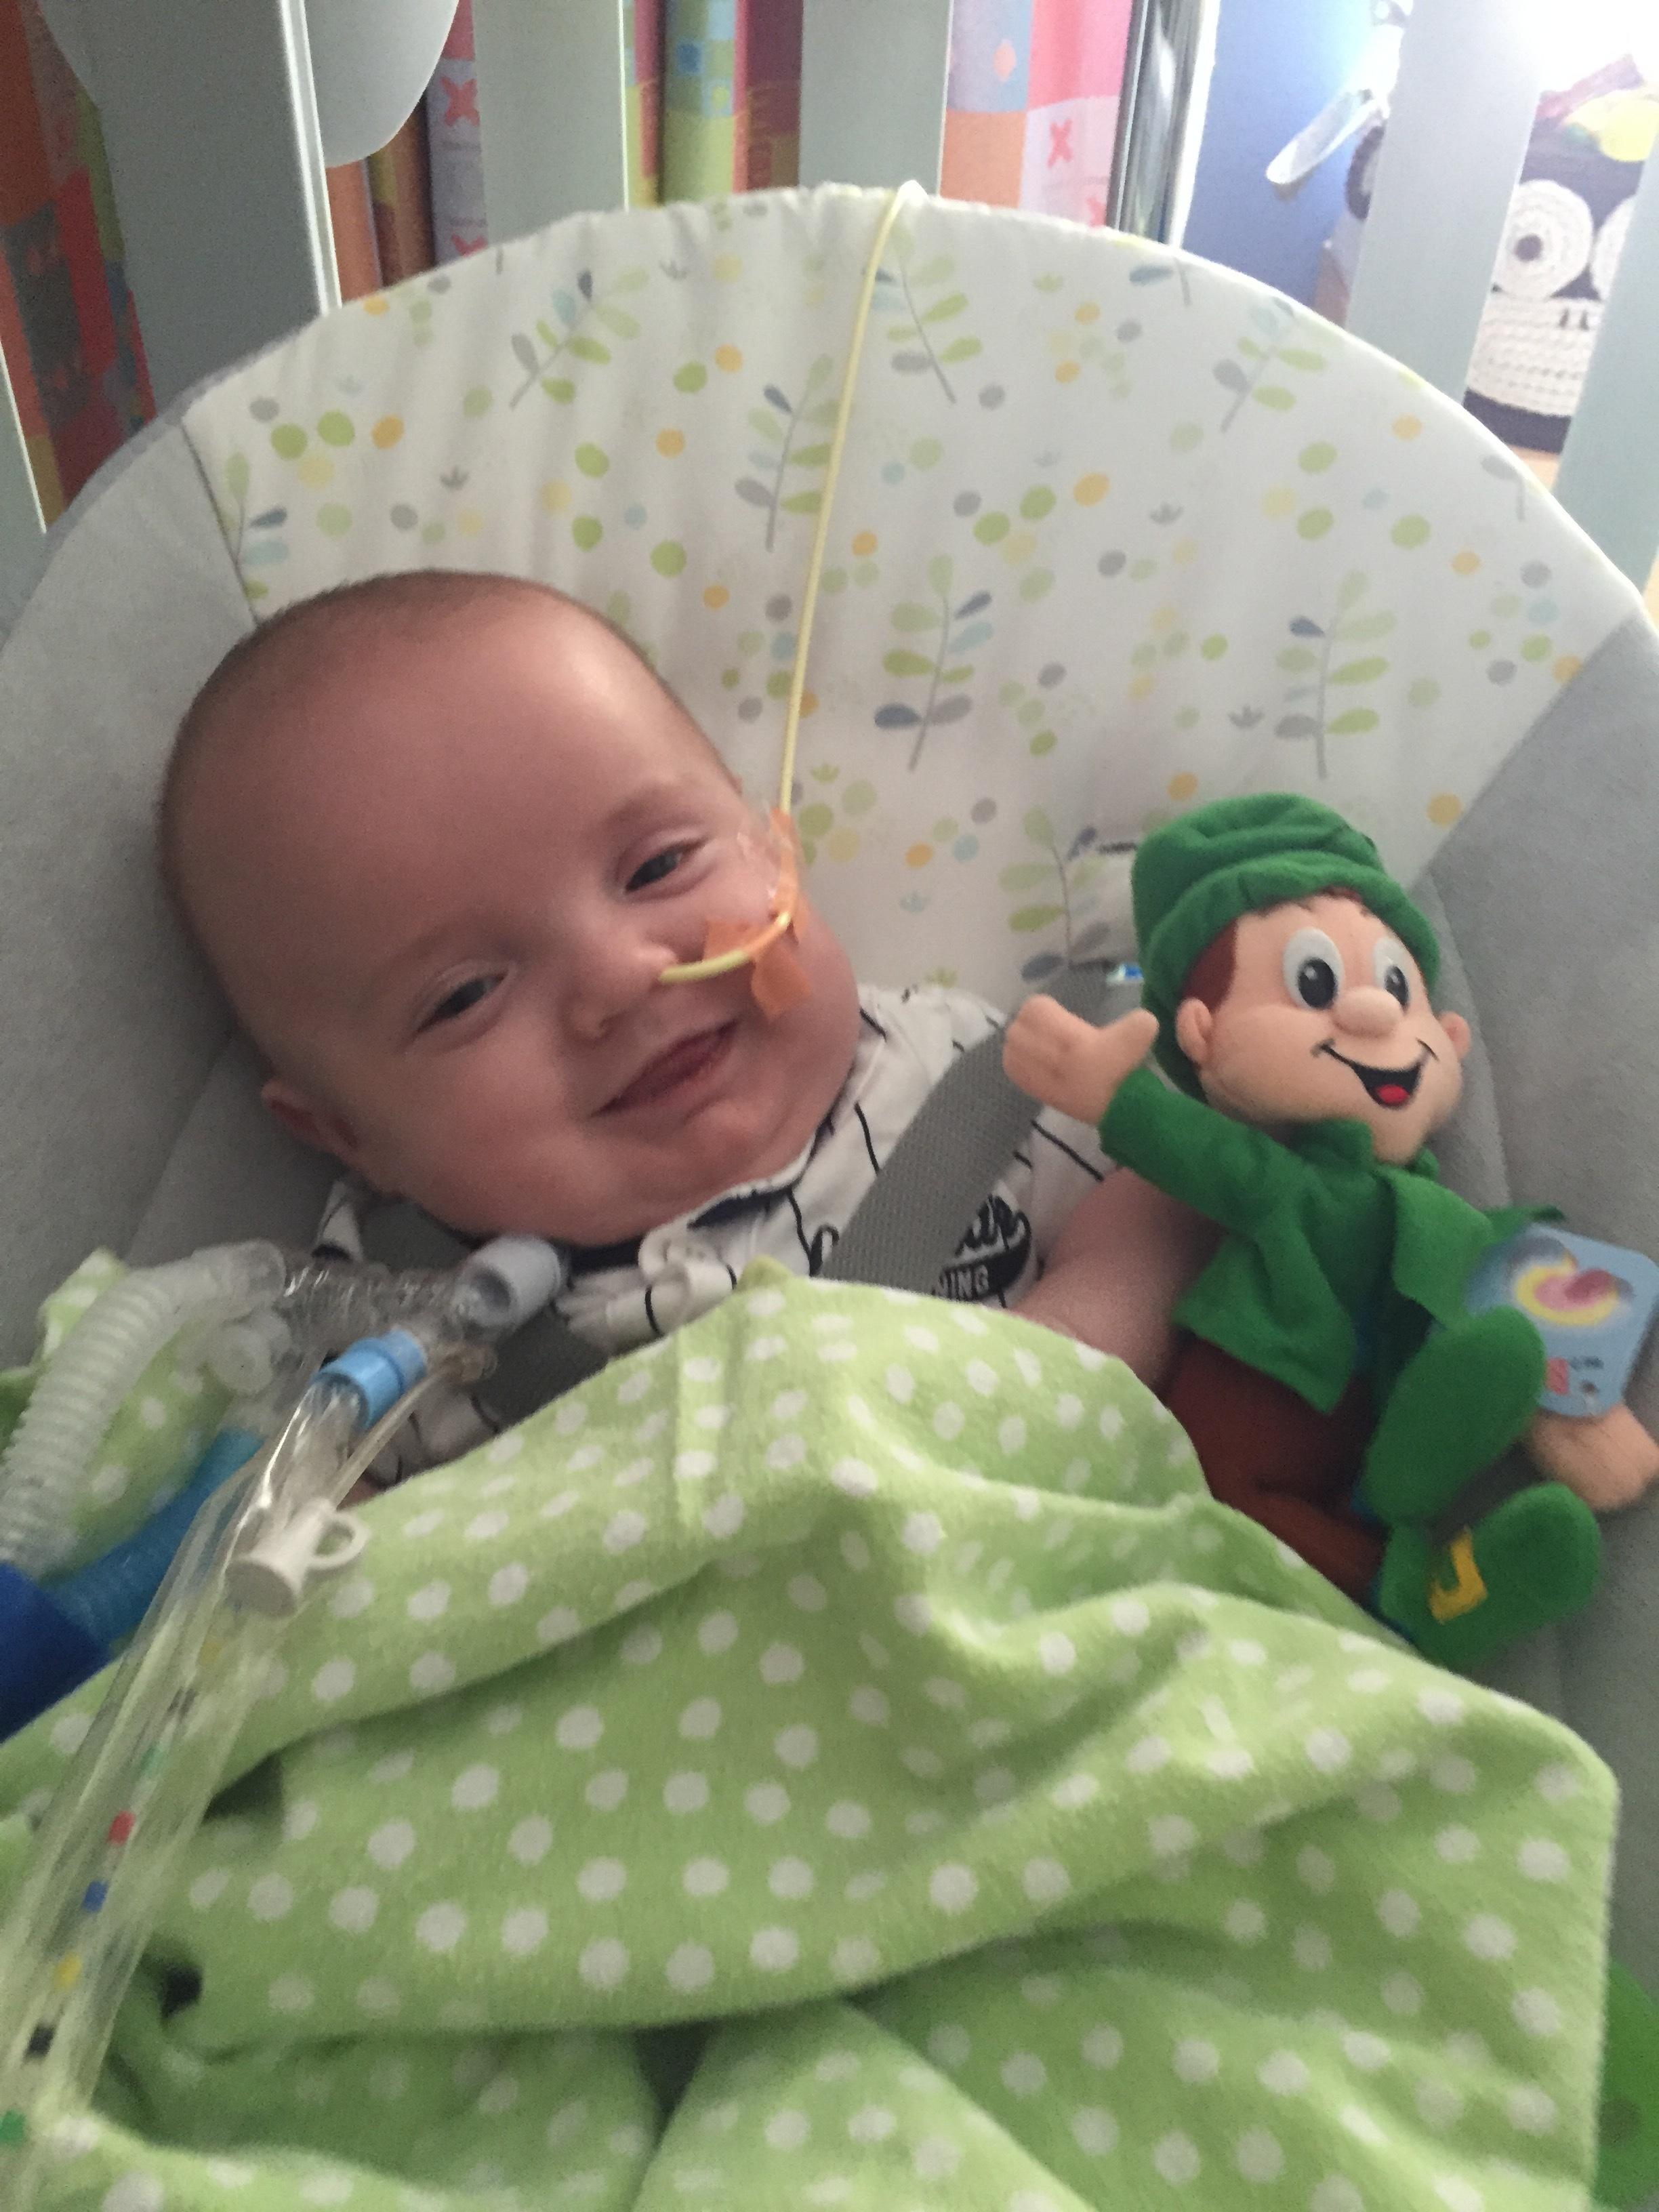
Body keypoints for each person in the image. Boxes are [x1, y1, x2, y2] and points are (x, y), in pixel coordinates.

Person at [159, 568, 1212, 1397]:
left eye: (659, 866)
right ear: (347, 1134)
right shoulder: (382, 1317)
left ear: (772, 847)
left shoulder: (989, 1084)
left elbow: (1174, 1211)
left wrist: (1066, 1346)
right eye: (465, 994)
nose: (622, 978)